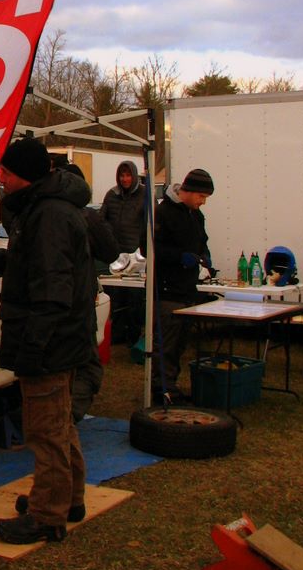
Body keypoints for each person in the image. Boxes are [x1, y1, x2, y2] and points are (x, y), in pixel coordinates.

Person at [0, 137, 95, 545]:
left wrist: (34, 348)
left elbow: (51, 291)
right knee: (59, 423)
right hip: (59, 339)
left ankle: (47, 515)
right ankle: (67, 498)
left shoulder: (48, 216)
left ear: (23, 175)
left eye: (6, 173)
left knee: (45, 430)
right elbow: (30, 265)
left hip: (49, 343)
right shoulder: (45, 208)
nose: (2, 180)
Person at [61, 162, 119, 422]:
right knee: (86, 364)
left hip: (51, 302)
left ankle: (59, 416)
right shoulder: (85, 216)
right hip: (80, 297)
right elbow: (110, 251)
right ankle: (67, 418)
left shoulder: (37, 211)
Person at [153, 168, 215, 403]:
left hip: (188, 289)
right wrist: (179, 257)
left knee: (180, 343)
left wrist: (204, 255)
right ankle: (161, 388)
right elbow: (151, 248)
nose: (203, 202)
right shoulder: (163, 213)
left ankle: (172, 385)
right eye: (201, 196)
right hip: (167, 289)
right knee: (166, 343)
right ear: (188, 191)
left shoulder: (196, 216)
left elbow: (202, 241)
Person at [100, 160, 146, 347]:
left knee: (135, 298)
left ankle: (134, 335)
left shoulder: (145, 194)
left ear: (134, 176)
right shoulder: (112, 194)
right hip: (116, 255)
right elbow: (101, 219)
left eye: (128, 175)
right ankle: (117, 333)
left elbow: (150, 224)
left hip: (136, 256)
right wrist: (107, 237)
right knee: (116, 296)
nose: (125, 179)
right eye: (122, 175)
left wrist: (143, 248)